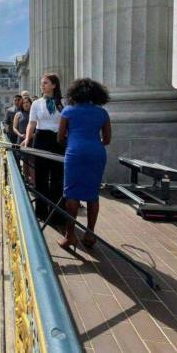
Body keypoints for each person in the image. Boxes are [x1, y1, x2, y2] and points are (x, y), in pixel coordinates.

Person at [57, 78, 111, 250]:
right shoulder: (102, 113)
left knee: (72, 194)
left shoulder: (68, 111)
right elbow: (107, 140)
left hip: (75, 153)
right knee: (93, 194)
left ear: (74, 93)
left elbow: (60, 138)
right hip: (96, 153)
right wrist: (92, 144)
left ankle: (70, 235)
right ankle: (90, 234)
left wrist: (74, 142)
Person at [22, 74, 65, 212]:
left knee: (58, 177)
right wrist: (27, 139)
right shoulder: (36, 103)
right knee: (41, 176)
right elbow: (32, 123)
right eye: (42, 83)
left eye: (45, 83)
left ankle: (56, 214)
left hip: (58, 140)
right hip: (41, 139)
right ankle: (41, 212)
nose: (42, 85)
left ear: (54, 85)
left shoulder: (63, 103)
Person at [13, 97, 32, 178]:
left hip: (32, 139)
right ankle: (25, 178)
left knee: (32, 160)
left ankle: (32, 178)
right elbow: (14, 128)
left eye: (27, 102)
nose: (26, 104)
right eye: (24, 103)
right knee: (24, 159)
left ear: (31, 103)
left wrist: (31, 135)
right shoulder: (18, 114)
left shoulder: (34, 113)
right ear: (21, 105)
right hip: (21, 139)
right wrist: (20, 134)